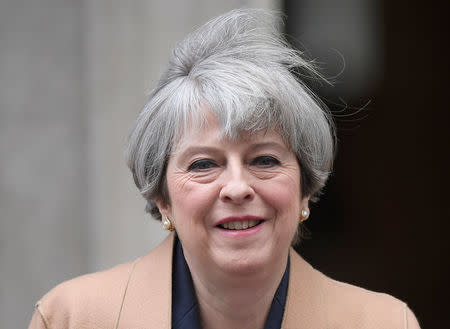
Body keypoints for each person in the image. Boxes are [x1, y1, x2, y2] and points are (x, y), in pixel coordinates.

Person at [28, 8, 421, 329]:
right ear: (162, 199)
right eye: (203, 164)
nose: (236, 187)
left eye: (264, 160)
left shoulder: (383, 322)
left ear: (305, 188)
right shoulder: (72, 317)